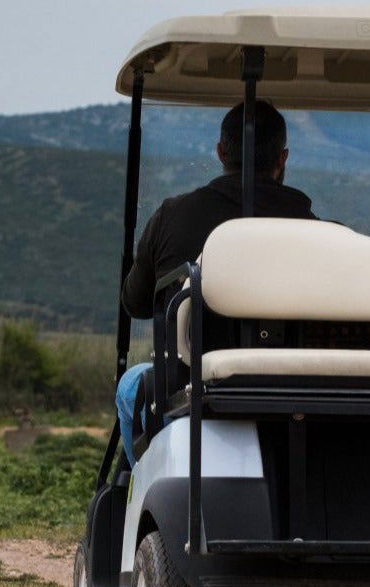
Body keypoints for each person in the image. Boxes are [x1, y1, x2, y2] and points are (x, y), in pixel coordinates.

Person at [115, 100, 319, 464]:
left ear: (221, 151)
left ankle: (142, 484)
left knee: (132, 383)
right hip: (291, 393)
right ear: (282, 159)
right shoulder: (313, 229)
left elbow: (135, 303)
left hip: (188, 390)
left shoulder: (172, 214)